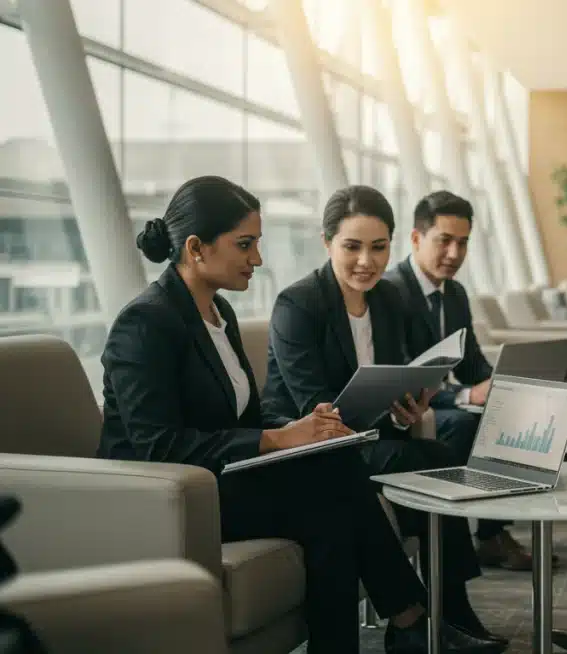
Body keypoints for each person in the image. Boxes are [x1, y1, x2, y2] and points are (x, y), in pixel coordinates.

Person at [97, 176, 502, 654]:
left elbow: (242, 421)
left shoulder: (216, 312)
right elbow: (158, 447)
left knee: (333, 501)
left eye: (258, 244)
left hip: (223, 477)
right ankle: (412, 618)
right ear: (195, 248)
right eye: (245, 245)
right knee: (337, 487)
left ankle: (405, 623)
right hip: (168, 498)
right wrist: (278, 440)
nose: (258, 259)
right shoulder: (146, 322)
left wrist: (286, 440)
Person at [261, 185, 505, 645]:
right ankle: (427, 617)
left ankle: (438, 611)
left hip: (365, 438)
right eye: (351, 247)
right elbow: (310, 403)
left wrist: (407, 408)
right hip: (312, 445)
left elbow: (392, 380)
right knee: (428, 462)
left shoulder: (388, 300)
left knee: (436, 454)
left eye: (377, 248)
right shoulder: (299, 305)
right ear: (327, 242)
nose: (365, 262)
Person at [384, 190, 533, 570]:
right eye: (444, 241)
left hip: (441, 398)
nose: (454, 253)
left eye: (462, 243)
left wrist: (504, 386)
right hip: (406, 405)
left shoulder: (455, 294)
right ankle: (469, 541)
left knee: (507, 410)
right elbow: (401, 375)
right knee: (467, 422)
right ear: (416, 239)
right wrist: (468, 394)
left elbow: (472, 365)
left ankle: (491, 532)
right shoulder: (390, 293)